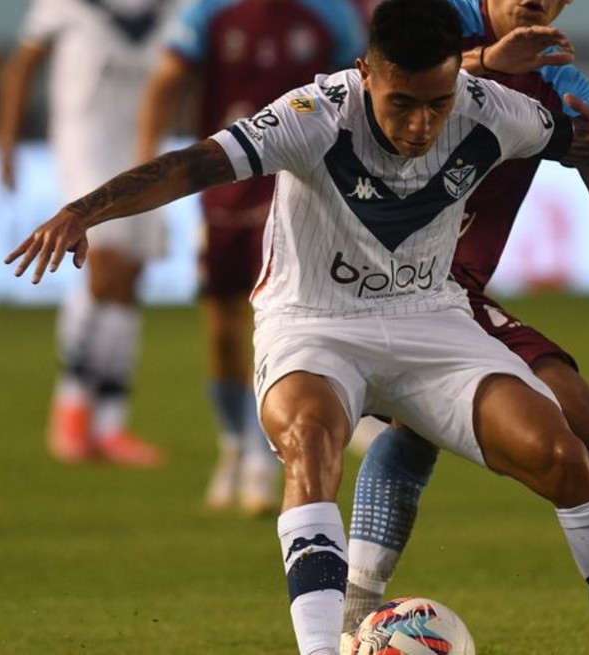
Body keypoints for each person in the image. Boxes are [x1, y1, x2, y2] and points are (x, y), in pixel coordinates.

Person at [5, 2, 589, 654]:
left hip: (432, 317)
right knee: (313, 440)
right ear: (366, 75)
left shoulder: (488, 107)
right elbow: (190, 165)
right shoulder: (313, 113)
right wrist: (83, 211)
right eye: (402, 103)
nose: (420, 125)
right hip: (313, 325)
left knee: (563, 453)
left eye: (438, 105)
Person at [341, 1, 589, 653]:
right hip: (379, 278)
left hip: (452, 291)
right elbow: (364, 88)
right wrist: (486, 61)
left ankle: (352, 621)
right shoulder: (434, 18)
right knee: (588, 431)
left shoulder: (557, 76)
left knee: (422, 432)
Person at [135, 0, 365, 515]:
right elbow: (167, 79)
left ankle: (264, 458)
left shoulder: (331, 14)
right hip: (221, 191)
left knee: (274, 326)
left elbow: (363, 87)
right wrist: (149, 162)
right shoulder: (209, 12)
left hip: (295, 192)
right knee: (222, 330)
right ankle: (234, 445)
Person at [0, 0, 177, 466]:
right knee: (106, 260)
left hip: (144, 141)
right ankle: (71, 404)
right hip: (86, 138)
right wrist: (6, 142)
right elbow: (23, 64)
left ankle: (110, 422)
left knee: (130, 275)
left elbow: (190, 65)